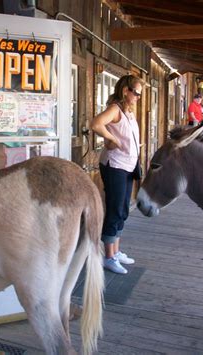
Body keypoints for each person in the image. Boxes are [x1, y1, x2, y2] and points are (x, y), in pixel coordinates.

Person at [91, 74, 142, 275]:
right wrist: (113, 139)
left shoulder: (128, 112)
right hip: (115, 165)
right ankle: (108, 256)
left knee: (123, 209)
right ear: (125, 91)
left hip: (128, 165)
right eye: (136, 92)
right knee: (114, 209)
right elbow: (96, 124)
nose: (138, 96)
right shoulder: (115, 109)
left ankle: (116, 251)